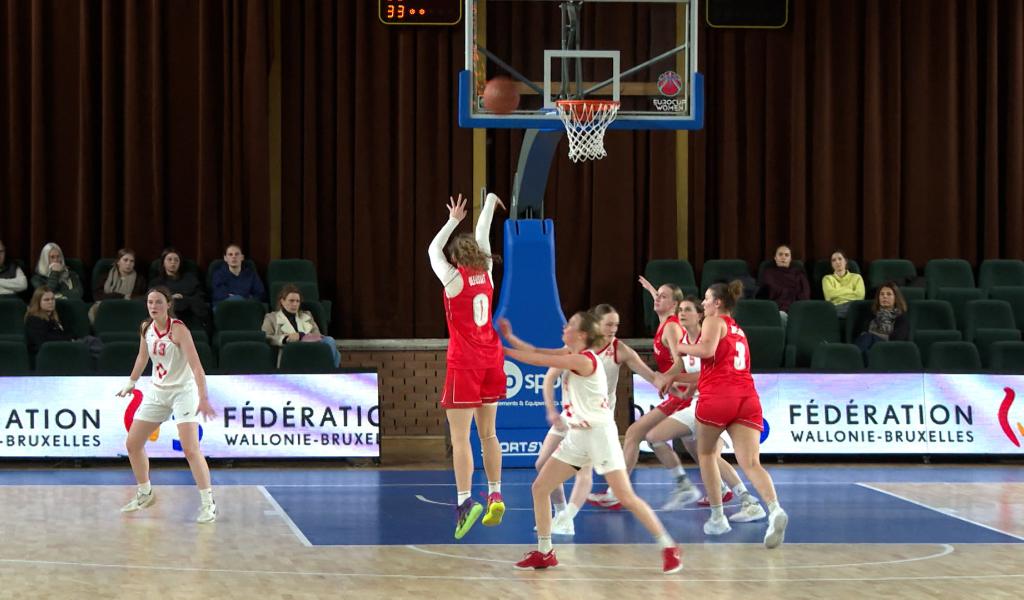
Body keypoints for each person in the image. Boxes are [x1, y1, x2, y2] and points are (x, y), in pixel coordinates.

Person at [503, 312, 682, 574]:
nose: (565, 327)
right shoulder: (569, 353)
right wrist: (509, 339)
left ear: (583, 335)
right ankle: (545, 551)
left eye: (571, 325)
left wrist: (500, 350)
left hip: (600, 434)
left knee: (625, 496)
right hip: (577, 434)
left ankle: (669, 546)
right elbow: (537, 351)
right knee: (540, 487)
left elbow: (539, 360)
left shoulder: (583, 359)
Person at [675, 281, 788, 548]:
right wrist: (679, 377)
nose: (703, 304)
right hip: (747, 397)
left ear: (717, 303)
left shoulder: (714, 321)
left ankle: (717, 516)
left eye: (706, 299)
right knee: (751, 463)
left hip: (718, 397)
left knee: (706, 455)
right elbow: (716, 365)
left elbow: (706, 352)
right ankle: (774, 509)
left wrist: (682, 348)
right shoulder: (738, 330)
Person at [644, 295, 768, 525]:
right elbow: (689, 379)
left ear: (700, 314)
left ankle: (716, 495)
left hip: (716, 402)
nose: (682, 314)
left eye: (688, 309)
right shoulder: (684, 343)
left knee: (670, 442)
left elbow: (710, 374)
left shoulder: (709, 337)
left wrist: (673, 377)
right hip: (700, 402)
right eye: (680, 309)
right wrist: (674, 382)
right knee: (698, 451)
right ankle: (734, 495)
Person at [427, 192, 507, 540]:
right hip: (492, 358)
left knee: (461, 438)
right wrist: (488, 202)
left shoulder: (452, 279)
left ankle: (464, 503)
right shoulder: (487, 272)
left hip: (465, 362)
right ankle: (495, 492)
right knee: (489, 433)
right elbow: (485, 230)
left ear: (456, 257)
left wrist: (452, 221)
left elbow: (432, 250)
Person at [589, 280, 701, 511]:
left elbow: (680, 362)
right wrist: (652, 291)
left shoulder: (671, 326)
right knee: (697, 448)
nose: (657, 299)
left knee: (634, 434)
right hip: (677, 390)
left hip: (681, 392)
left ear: (675, 304)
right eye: (656, 295)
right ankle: (722, 488)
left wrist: (664, 378)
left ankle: (617, 493)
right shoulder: (666, 322)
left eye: (662, 296)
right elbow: (663, 300)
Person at [116, 287, 217, 523]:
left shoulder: (179, 329)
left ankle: (208, 503)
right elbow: (143, 357)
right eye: (150, 302)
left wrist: (203, 398)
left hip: (183, 391)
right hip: (157, 392)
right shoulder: (146, 328)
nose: (153, 306)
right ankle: (145, 492)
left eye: (158, 302)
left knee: (190, 448)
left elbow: (197, 367)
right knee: (132, 443)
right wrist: (131, 382)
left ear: (168, 304)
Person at [262, 283, 340, 368]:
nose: (295, 304)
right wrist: (285, 339)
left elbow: (318, 336)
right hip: (290, 353)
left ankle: (328, 371)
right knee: (336, 355)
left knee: (329, 341)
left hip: (311, 349)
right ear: (282, 301)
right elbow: (266, 337)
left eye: (297, 301)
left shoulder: (307, 315)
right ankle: (329, 371)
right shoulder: (271, 318)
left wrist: (301, 336)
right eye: (291, 301)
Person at [150, 248, 210, 333]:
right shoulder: (156, 283)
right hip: (165, 321)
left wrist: (184, 298)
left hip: (190, 317)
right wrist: (170, 298)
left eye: (176, 260)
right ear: (163, 262)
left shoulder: (190, 279)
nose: (173, 262)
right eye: (169, 259)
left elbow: (199, 298)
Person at [89, 248, 148, 323]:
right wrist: (122, 296)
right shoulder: (105, 276)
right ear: (118, 262)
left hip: (128, 307)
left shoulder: (140, 279)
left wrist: (127, 299)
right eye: (125, 260)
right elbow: (97, 295)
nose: (128, 263)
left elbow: (142, 297)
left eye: (132, 261)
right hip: (107, 305)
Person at [757, 244, 809, 326]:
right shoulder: (768, 273)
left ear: (790, 259)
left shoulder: (798, 274)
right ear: (775, 258)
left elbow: (805, 294)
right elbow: (763, 293)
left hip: (795, 309)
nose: (783, 257)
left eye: (786, 255)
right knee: (781, 316)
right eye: (780, 254)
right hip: (773, 308)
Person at [854, 282, 909, 356]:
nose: (884, 296)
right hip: (868, 348)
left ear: (896, 298)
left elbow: (897, 339)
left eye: (889, 294)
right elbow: (859, 333)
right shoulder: (869, 314)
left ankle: (851, 358)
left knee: (868, 337)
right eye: (882, 294)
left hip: (888, 349)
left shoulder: (901, 318)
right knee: (867, 351)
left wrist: (873, 335)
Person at [24, 286, 75, 354]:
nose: (51, 302)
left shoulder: (56, 316)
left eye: (52, 299)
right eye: (46, 300)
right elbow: (43, 341)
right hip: (51, 353)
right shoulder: (34, 319)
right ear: (38, 302)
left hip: (66, 347)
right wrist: (68, 340)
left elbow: (70, 332)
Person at [211, 244, 265, 308]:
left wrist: (233, 295)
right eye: (230, 254)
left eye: (237, 254)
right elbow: (219, 294)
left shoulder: (251, 274)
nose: (234, 257)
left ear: (242, 257)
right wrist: (245, 296)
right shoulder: (218, 274)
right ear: (225, 258)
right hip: (225, 307)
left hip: (247, 307)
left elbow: (260, 293)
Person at [822, 249, 865, 317]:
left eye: (840, 259)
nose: (837, 262)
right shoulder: (827, 279)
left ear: (845, 261)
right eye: (834, 260)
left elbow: (860, 296)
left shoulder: (857, 277)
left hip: (853, 306)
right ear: (832, 264)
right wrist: (851, 291)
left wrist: (837, 293)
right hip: (836, 308)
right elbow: (829, 296)